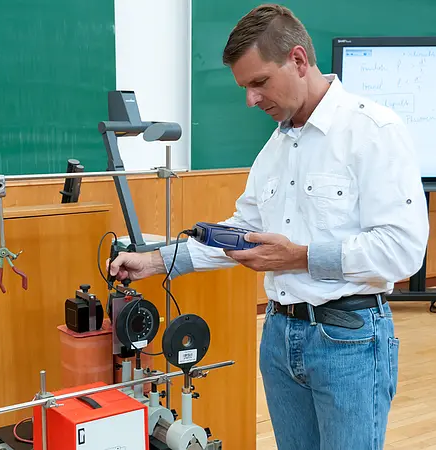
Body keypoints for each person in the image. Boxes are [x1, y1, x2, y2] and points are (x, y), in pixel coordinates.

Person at [108, 4, 429, 449]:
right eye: (244, 87)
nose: (251, 100)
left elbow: (403, 250)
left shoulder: (372, 131)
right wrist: (155, 261)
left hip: (348, 341)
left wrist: (299, 256)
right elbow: (241, 233)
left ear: (298, 60)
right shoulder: (274, 150)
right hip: (279, 338)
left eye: (259, 83)